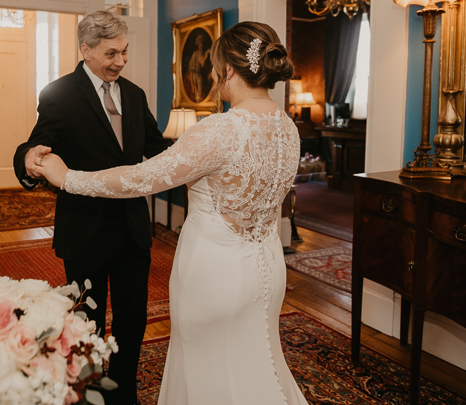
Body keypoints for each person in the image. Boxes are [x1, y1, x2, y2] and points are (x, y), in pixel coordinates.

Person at [32, 21, 307, 405]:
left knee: (207, 368)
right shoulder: (287, 127)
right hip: (267, 267)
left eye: (214, 67)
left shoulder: (220, 129)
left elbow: (142, 178)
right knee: (255, 358)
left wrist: (68, 178)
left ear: (228, 70)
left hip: (214, 272)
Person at [13, 11, 173, 405]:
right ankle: (85, 394)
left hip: (133, 227)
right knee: (87, 322)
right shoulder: (59, 93)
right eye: (111, 53)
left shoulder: (134, 94)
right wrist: (28, 158)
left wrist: (200, 154)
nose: (120, 61)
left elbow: (155, 149)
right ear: (85, 50)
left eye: (125, 51)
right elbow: (36, 144)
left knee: (133, 320)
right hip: (85, 229)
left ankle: (123, 395)